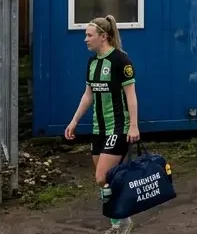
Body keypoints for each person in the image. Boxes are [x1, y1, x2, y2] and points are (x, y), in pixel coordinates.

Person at [64, 16, 139, 234]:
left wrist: (133, 126)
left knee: (102, 176)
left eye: (89, 35)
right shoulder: (92, 62)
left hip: (118, 127)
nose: (85, 40)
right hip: (99, 128)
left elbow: (131, 96)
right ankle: (119, 222)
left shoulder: (120, 60)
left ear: (103, 37)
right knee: (105, 179)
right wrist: (74, 121)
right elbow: (88, 95)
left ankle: (122, 221)